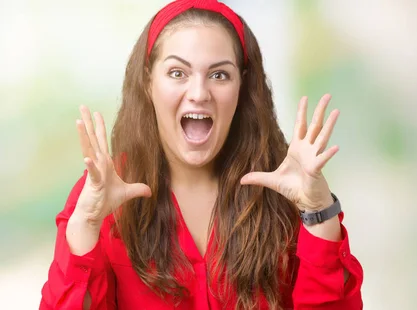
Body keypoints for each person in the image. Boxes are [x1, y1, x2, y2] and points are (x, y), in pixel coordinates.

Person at [39, 0, 363, 309]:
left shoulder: (285, 189)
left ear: (242, 88)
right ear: (148, 81)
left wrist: (319, 212)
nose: (198, 93)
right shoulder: (103, 192)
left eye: (219, 75)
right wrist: (86, 226)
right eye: (177, 73)